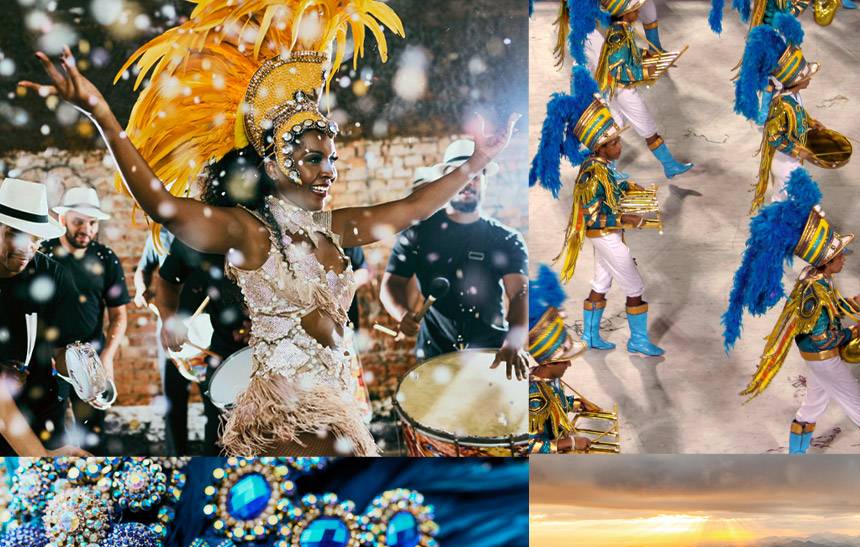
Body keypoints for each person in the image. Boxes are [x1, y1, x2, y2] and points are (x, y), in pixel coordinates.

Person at [22, 0, 517, 456]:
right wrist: (103, 115)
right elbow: (163, 206)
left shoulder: (334, 227)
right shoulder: (249, 232)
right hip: (285, 413)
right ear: (277, 167)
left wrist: (477, 162)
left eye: (332, 159)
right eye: (312, 159)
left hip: (337, 401)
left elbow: (412, 206)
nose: (329, 170)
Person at [723, 169, 860, 454]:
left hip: (818, 358)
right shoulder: (813, 293)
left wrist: (857, 301)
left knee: (814, 405)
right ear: (827, 261)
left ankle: (797, 455)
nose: (844, 259)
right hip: (823, 357)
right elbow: (823, 338)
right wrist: (857, 330)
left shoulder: (816, 277)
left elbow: (832, 307)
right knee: (858, 404)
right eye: (839, 256)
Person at [532, 73, 665, 356]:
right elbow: (593, 217)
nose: (620, 147)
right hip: (605, 235)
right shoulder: (593, 173)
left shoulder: (601, 166)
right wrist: (629, 219)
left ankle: (591, 336)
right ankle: (638, 340)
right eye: (614, 143)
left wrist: (629, 186)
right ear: (600, 147)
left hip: (607, 235)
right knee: (635, 287)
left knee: (601, 283)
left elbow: (613, 187)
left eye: (618, 141)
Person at [380, 140, 530, 378]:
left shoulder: (506, 238)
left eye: (474, 177)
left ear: (485, 181)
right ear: (444, 183)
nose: (466, 184)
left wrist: (514, 341)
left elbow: (518, 294)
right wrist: (401, 313)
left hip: (490, 352)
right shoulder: (418, 232)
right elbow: (391, 284)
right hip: (434, 352)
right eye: (458, 177)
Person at [0, 176, 90, 456]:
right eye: (15, 234)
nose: (27, 248)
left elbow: (65, 348)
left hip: (45, 410)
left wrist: (83, 373)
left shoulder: (54, 276)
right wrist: (39, 455)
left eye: (36, 240)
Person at [40, 185, 131, 451]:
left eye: (92, 223)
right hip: (49, 360)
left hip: (92, 360)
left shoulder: (106, 258)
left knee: (93, 438)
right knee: (51, 438)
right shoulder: (43, 256)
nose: (87, 229)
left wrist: (107, 358)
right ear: (62, 219)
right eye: (78, 221)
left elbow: (119, 316)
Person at [736, 18, 840, 213]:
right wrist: (797, 151)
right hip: (784, 163)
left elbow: (798, 114)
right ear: (797, 81)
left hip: (791, 160)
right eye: (807, 76)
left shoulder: (794, 96)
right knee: (793, 201)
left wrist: (811, 122)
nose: (810, 79)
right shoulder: (781, 105)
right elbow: (774, 137)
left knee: (787, 201)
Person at [584, 0, 693, 179]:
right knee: (648, 128)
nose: (637, 13)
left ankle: (609, 172)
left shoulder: (622, 30)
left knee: (614, 129)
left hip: (609, 90)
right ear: (624, 14)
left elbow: (626, 58)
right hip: (621, 91)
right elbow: (618, 69)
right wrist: (644, 71)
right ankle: (669, 166)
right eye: (634, 10)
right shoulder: (618, 35)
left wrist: (645, 58)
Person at [528, 265, 606, 453]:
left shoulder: (547, 380)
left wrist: (577, 404)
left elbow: (555, 403)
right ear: (549, 362)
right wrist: (568, 443)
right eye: (565, 360)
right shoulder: (534, 398)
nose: (569, 364)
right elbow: (528, 446)